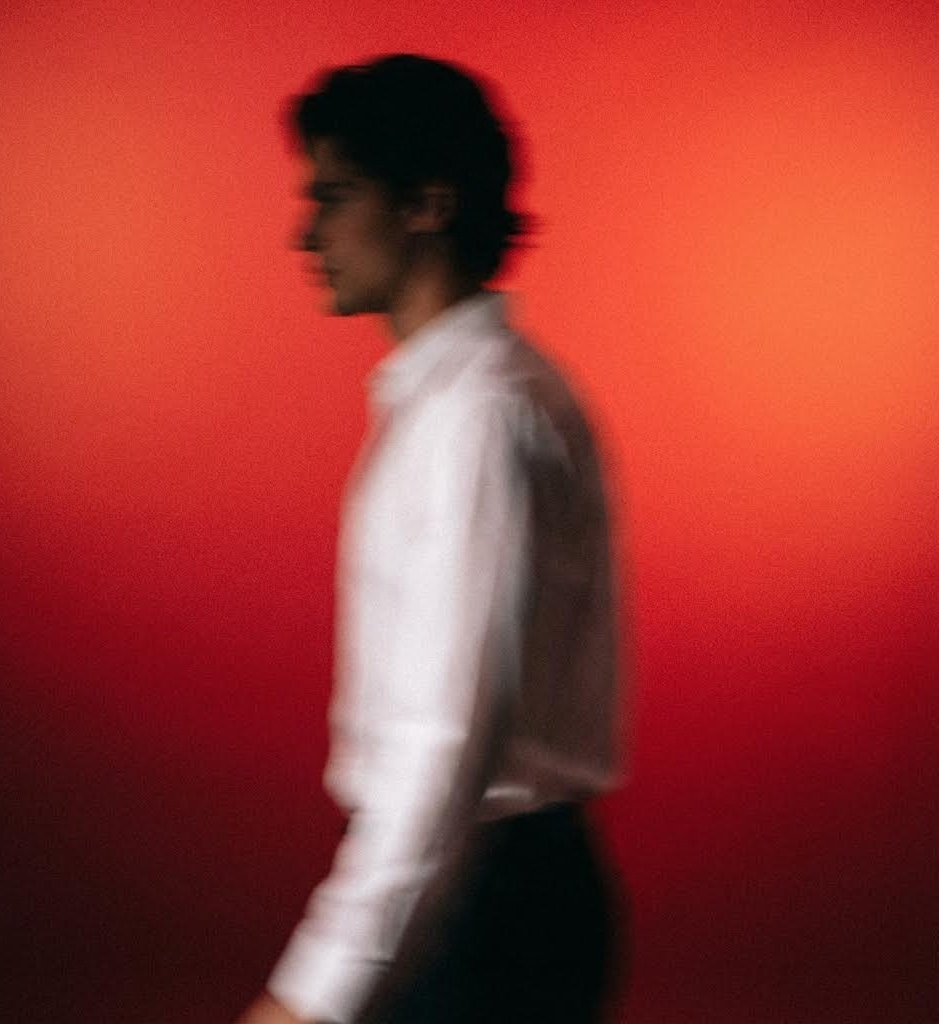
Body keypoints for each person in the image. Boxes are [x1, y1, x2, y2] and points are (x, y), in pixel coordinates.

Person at [237, 54, 628, 1024]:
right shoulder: (468, 402)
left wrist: (311, 994)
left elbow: (442, 748)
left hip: (482, 914)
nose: (305, 232)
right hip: (490, 896)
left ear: (427, 205)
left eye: (334, 196)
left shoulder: (478, 419)